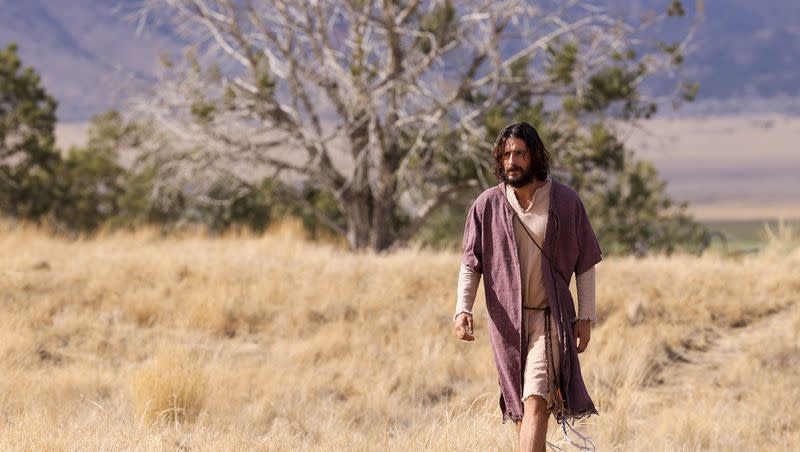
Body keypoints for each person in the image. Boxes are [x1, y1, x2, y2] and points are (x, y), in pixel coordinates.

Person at [453, 122, 602, 452]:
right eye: (505, 154)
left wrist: (586, 317)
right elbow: (470, 262)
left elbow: (585, 263)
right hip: (506, 326)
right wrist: (462, 308)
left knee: (536, 401)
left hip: (550, 321)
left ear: (535, 156)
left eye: (519, 153)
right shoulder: (487, 205)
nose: (511, 162)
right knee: (522, 413)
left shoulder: (564, 201)